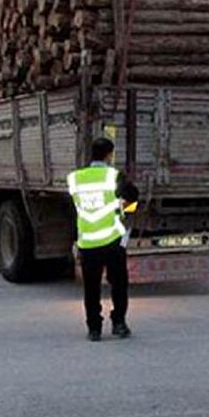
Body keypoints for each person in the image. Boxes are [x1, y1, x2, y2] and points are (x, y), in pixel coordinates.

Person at [67, 137, 139, 341]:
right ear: (109, 155)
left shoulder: (75, 178)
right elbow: (133, 194)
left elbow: (74, 204)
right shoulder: (113, 176)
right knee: (119, 284)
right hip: (112, 240)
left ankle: (94, 329)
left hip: (88, 241)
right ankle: (118, 323)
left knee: (91, 287)